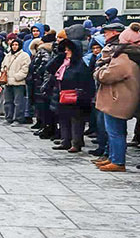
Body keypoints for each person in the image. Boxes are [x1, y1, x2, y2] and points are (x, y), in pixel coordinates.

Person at [93, 22, 140, 172]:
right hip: (122, 98)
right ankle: (113, 158)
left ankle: (117, 161)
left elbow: (107, 75)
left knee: (115, 132)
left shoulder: (125, 58)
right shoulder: (130, 56)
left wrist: (98, 71)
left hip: (118, 99)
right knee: (116, 131)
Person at [47, 38, 95, 153]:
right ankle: (65, 141)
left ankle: (76, 143)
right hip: (62, 94)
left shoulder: (80, 64)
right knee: (63, 119)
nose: (66, 52)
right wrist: (59, 57)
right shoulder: (63, 63)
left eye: (68, 50)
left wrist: (82, 94)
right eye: (65, 50)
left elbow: (85, 81)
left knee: (76, 121)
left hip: (76, 97)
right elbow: (50, 68)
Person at [0, 38, 31, 124]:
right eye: (13, 45)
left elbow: (25, 69)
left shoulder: (24, 55)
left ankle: (18, 118)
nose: (14, 47)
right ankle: (8, 117)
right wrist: (2, 75)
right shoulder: (8, 55)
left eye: (16, 45)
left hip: (18, 82)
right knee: (7, 101)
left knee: (18, 102)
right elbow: (3, 66)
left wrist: (16, 77)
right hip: (7, 82)